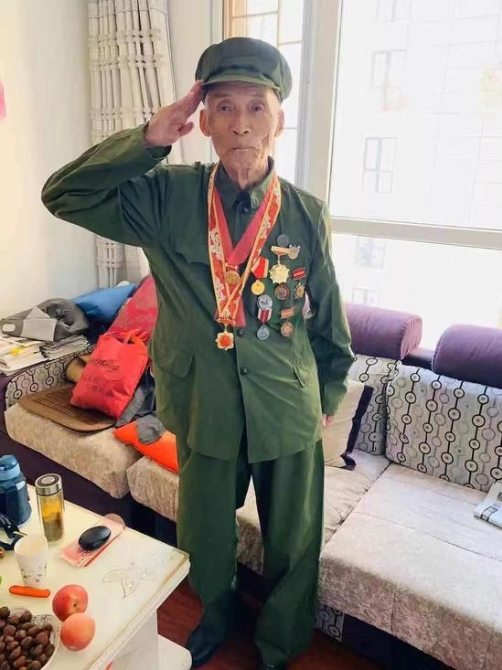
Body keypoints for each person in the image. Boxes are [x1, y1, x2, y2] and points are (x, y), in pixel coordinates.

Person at [42, 37, 354, 670]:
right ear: (204, 120)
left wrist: (326, 394)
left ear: (279, 120)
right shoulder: (166, 197)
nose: (241, 124)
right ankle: (214, 620)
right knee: (205, 534)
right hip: (204, 403)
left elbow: (330, 321)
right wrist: (148, 139)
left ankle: (280, 644)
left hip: (286, 405)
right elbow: (63, 194)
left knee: (293, 541)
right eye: (225, 107)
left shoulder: (305, 215)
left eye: (257, 107)